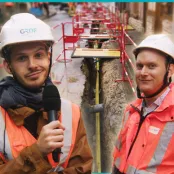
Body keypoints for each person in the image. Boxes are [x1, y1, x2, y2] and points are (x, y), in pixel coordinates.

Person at [0, 13, 92, 174]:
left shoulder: (72, 112)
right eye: (22, 58)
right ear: (8, 66)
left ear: (48, 58)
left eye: (38, 55)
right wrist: (37, 152)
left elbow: (82, 168)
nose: (32, 65)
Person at [112, 34, 174, 174]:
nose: (143, 73)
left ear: (169, 70)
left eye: (152, 66)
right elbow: (119, 157)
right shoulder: (131, 111)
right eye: (140, 66)